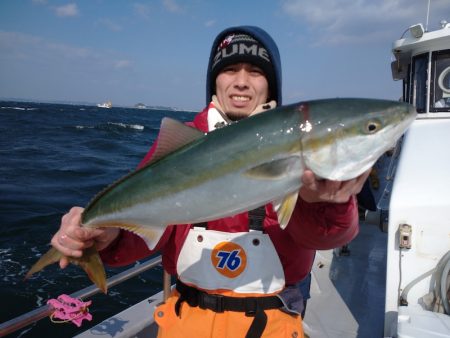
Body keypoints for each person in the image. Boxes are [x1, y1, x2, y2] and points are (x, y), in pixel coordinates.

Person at [51, 26, 369, 338]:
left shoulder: (299, 144)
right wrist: (109, 234)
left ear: (271, 85)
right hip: (185, 321)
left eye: (255, 72)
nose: (241, 82)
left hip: (272, 322)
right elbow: (147, 229)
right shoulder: (184, 143)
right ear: (215, 79)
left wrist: (325, 203)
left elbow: (324, 239)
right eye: (230, 69)